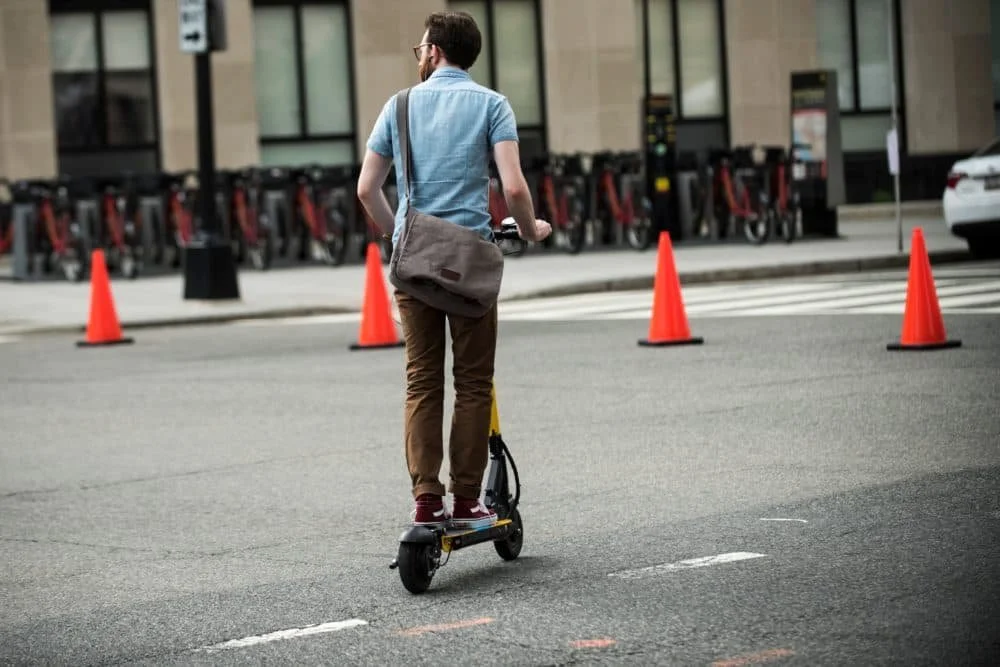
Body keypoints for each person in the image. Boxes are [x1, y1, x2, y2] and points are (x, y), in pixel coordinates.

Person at [356, 10, 551, 531]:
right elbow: (512, 189)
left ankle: (425, 498)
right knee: (472, 383)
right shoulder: (493, 105)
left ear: (436, 52)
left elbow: (366, 188)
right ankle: (467, 500)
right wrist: (531, 230)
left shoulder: (397, 106)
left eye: (421, 50)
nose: (419, 57)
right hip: (469, 267)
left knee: (422, 382)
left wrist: (396, 232)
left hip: (413, 263)